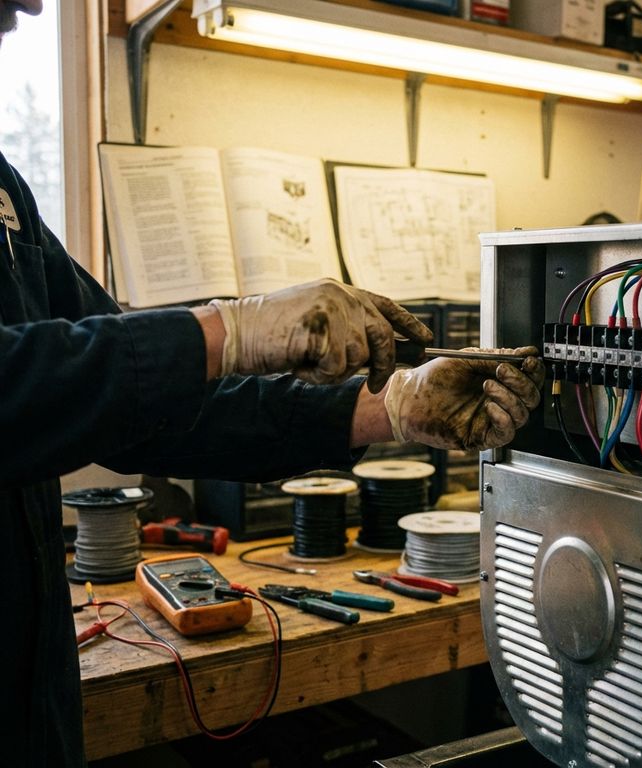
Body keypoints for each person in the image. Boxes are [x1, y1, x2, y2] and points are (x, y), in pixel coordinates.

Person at [0, 2, 545, 764]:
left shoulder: (3, 192)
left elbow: (148, 411)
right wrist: (230, 329)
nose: (26, 9)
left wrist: (388, 407)